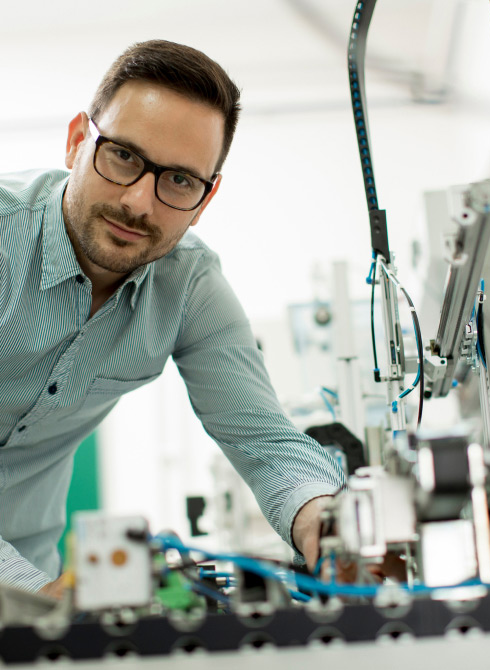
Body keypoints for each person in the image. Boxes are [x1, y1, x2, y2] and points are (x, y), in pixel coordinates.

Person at [0, 40, 346, 598]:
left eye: (180, 181)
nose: (140, 203)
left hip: (27, 588)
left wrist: (325, 521)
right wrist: (33, 597)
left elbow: (262, 437)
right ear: (75, 142)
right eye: (123, 156)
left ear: (205, 199)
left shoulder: (189, 286)